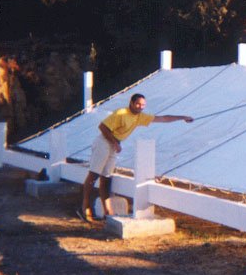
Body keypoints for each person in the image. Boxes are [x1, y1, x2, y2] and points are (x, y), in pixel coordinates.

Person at [78, 93, 193, 222]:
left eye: (143, 105)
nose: (140, 107)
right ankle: (85, 207)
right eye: (138, 104)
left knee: (106, 177)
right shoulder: (121, 113)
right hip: (104, 142)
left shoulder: (140, 117)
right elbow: (102, 127)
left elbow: (163, 118)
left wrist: (183, 117)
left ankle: (107, 212)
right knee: (94, 175)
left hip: (114, 145)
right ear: (131, 103)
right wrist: (115, 143)